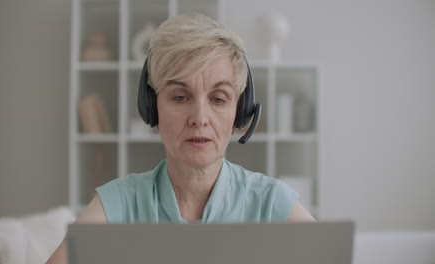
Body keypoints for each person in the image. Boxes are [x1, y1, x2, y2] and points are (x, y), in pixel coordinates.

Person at [46, 13, 314, 264]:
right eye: (180, 97)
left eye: (218, 99)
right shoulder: (118, 203)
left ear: (239, 112)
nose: (199, 118)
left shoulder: (270, 202)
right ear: (152, 107)